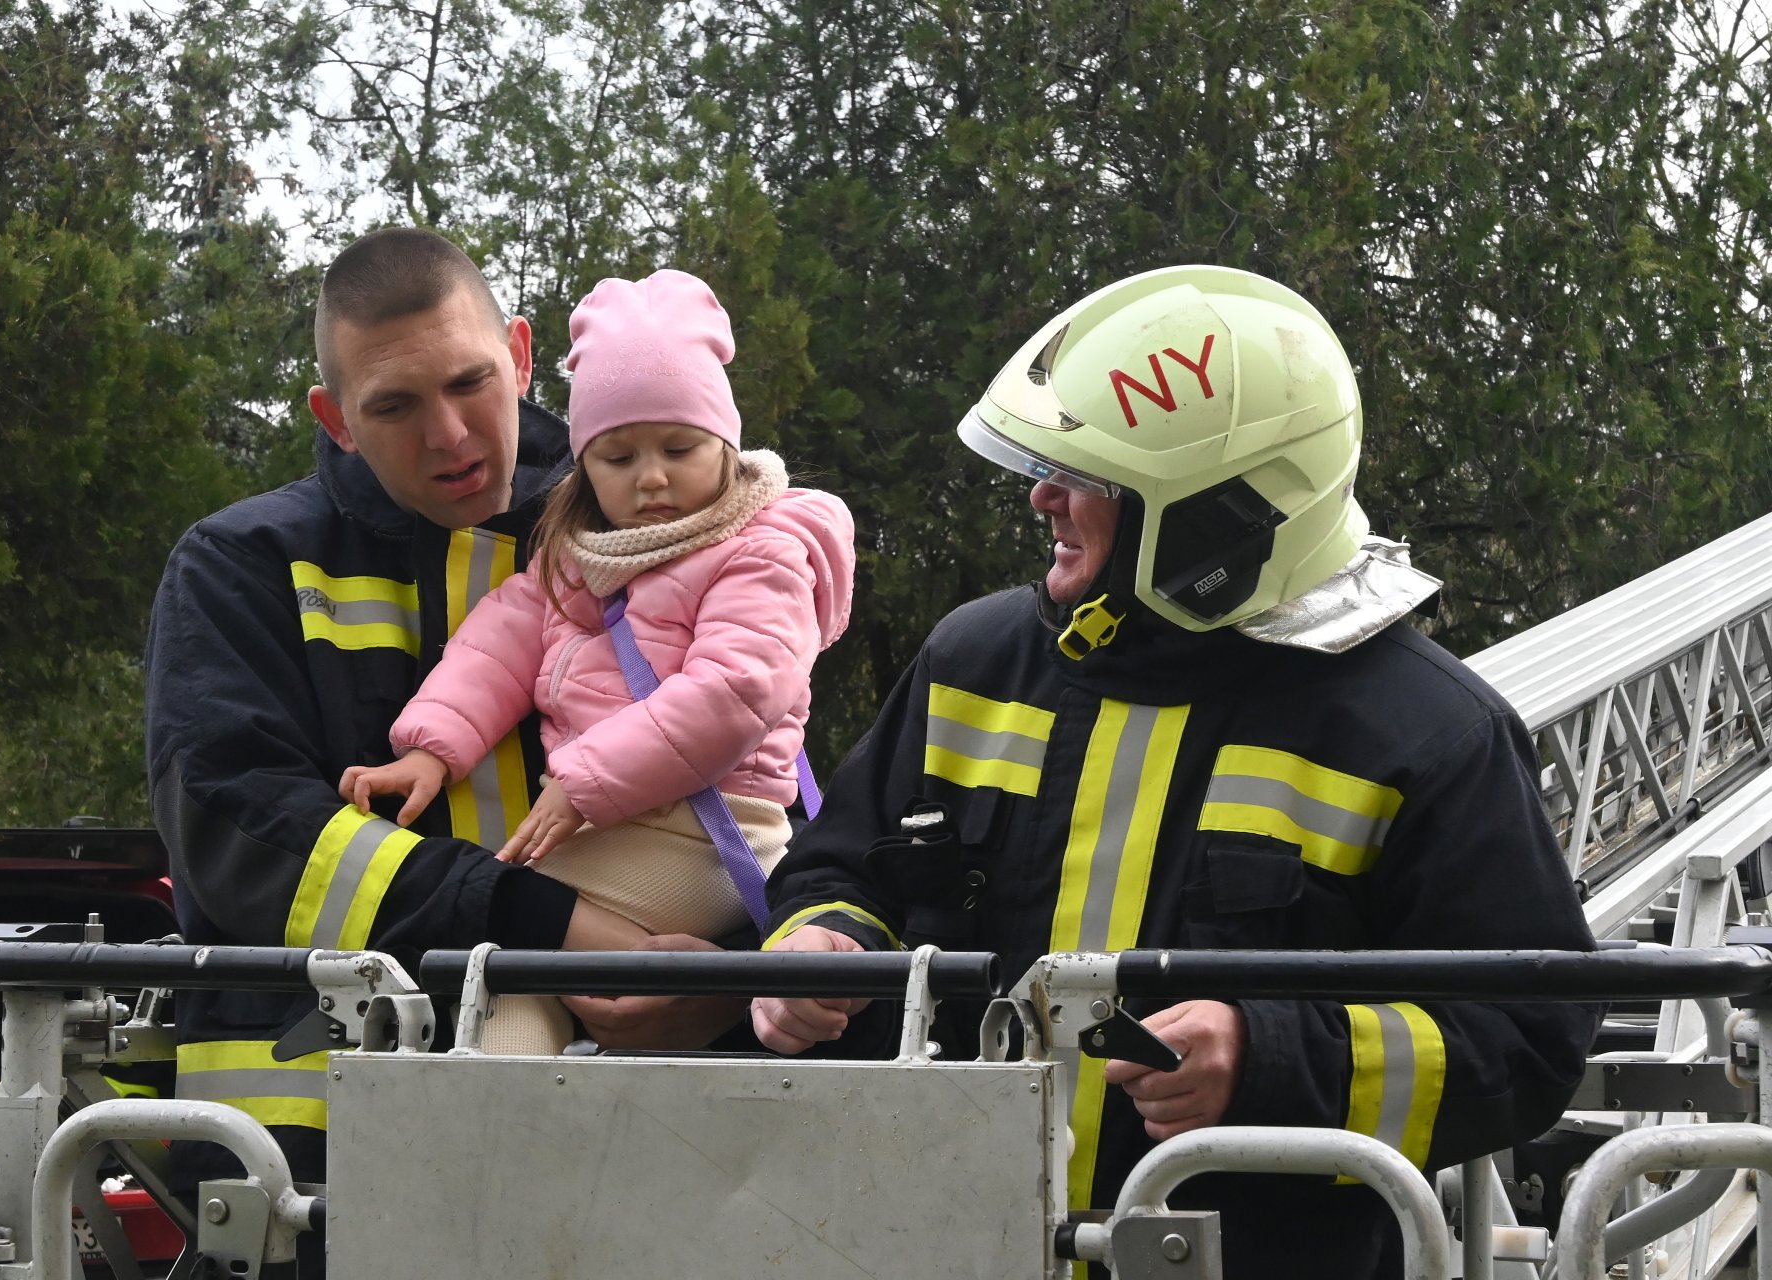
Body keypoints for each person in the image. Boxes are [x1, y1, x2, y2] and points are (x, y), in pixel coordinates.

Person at [751, 265, 1599, 1278]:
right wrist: (820, 942)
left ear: (1212, 518)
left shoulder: (1424, 733)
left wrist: (1271, 1058)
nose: (1042, 496)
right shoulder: (974, 663)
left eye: (1089, 479)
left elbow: (1527, 1037)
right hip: (942, 1244)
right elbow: (844, 867)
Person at [143, 230, 744, 1268]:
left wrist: (724, 977)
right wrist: (559, 927)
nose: (453, 434)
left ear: (519, 355)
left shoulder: (671, 518)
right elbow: (246, 839)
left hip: (641, 1134)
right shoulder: (241, 567)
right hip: (315, 1172)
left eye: (472, 382)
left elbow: (754, 776)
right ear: (334, 419)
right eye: (395, 406)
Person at [339, 268, 854, 1053]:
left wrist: (581, 784)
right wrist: (430, 752)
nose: (651, 477)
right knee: (517, 984)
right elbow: (499, 643)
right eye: (617, 457)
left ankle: (500, 1127)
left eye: (680, 447)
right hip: (621, 822)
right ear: (584, 465)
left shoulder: (761, 552)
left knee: (518, 942)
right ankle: (506, 1133)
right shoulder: (582, 556)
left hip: (707, 827)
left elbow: (736, 691)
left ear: (727, 440)